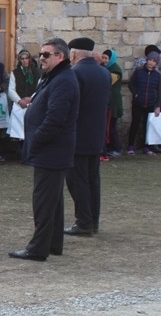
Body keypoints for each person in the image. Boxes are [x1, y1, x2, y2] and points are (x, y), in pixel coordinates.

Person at [9, 37, 79, 261]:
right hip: (50, 150)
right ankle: (53, 244)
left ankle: (38, 248)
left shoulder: (64, 80)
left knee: (43, 201)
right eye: (40, 54)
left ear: (61, 56)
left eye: (46, 54)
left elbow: (56, 118)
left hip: (52, 151)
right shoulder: (52, 77)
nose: (41, 58)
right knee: (53, 201)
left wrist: (36, 139)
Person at [63, 37, 110, 237]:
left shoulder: (74, 73)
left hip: (78, 136)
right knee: (93, 180)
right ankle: (92, 221)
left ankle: (83, 222)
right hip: (96, 135)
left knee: (77, 181)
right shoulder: (104, 73)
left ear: (73, 54)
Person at [127, 51, 161, 155]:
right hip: (138, 102)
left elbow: (159, 91)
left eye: (154, 61)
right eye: (150, 60)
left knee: (147, 125)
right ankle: (131, 146)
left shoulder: (157, 75)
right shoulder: (139, 71)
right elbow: (131, 84)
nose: (151, 62)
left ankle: (146, 147)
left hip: (150, 103)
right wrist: (135, 93)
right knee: (135, 124)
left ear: (156, 63)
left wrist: (157, 106)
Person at [100, 49, 124, 157]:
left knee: (112, 127)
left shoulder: (115, 70)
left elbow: (108, 81)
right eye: (103, 57)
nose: (104, 60)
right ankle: (109, 148)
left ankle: (117, 148)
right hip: (108, 100)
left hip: (113, 102)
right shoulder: (106, 68)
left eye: (106, 58)